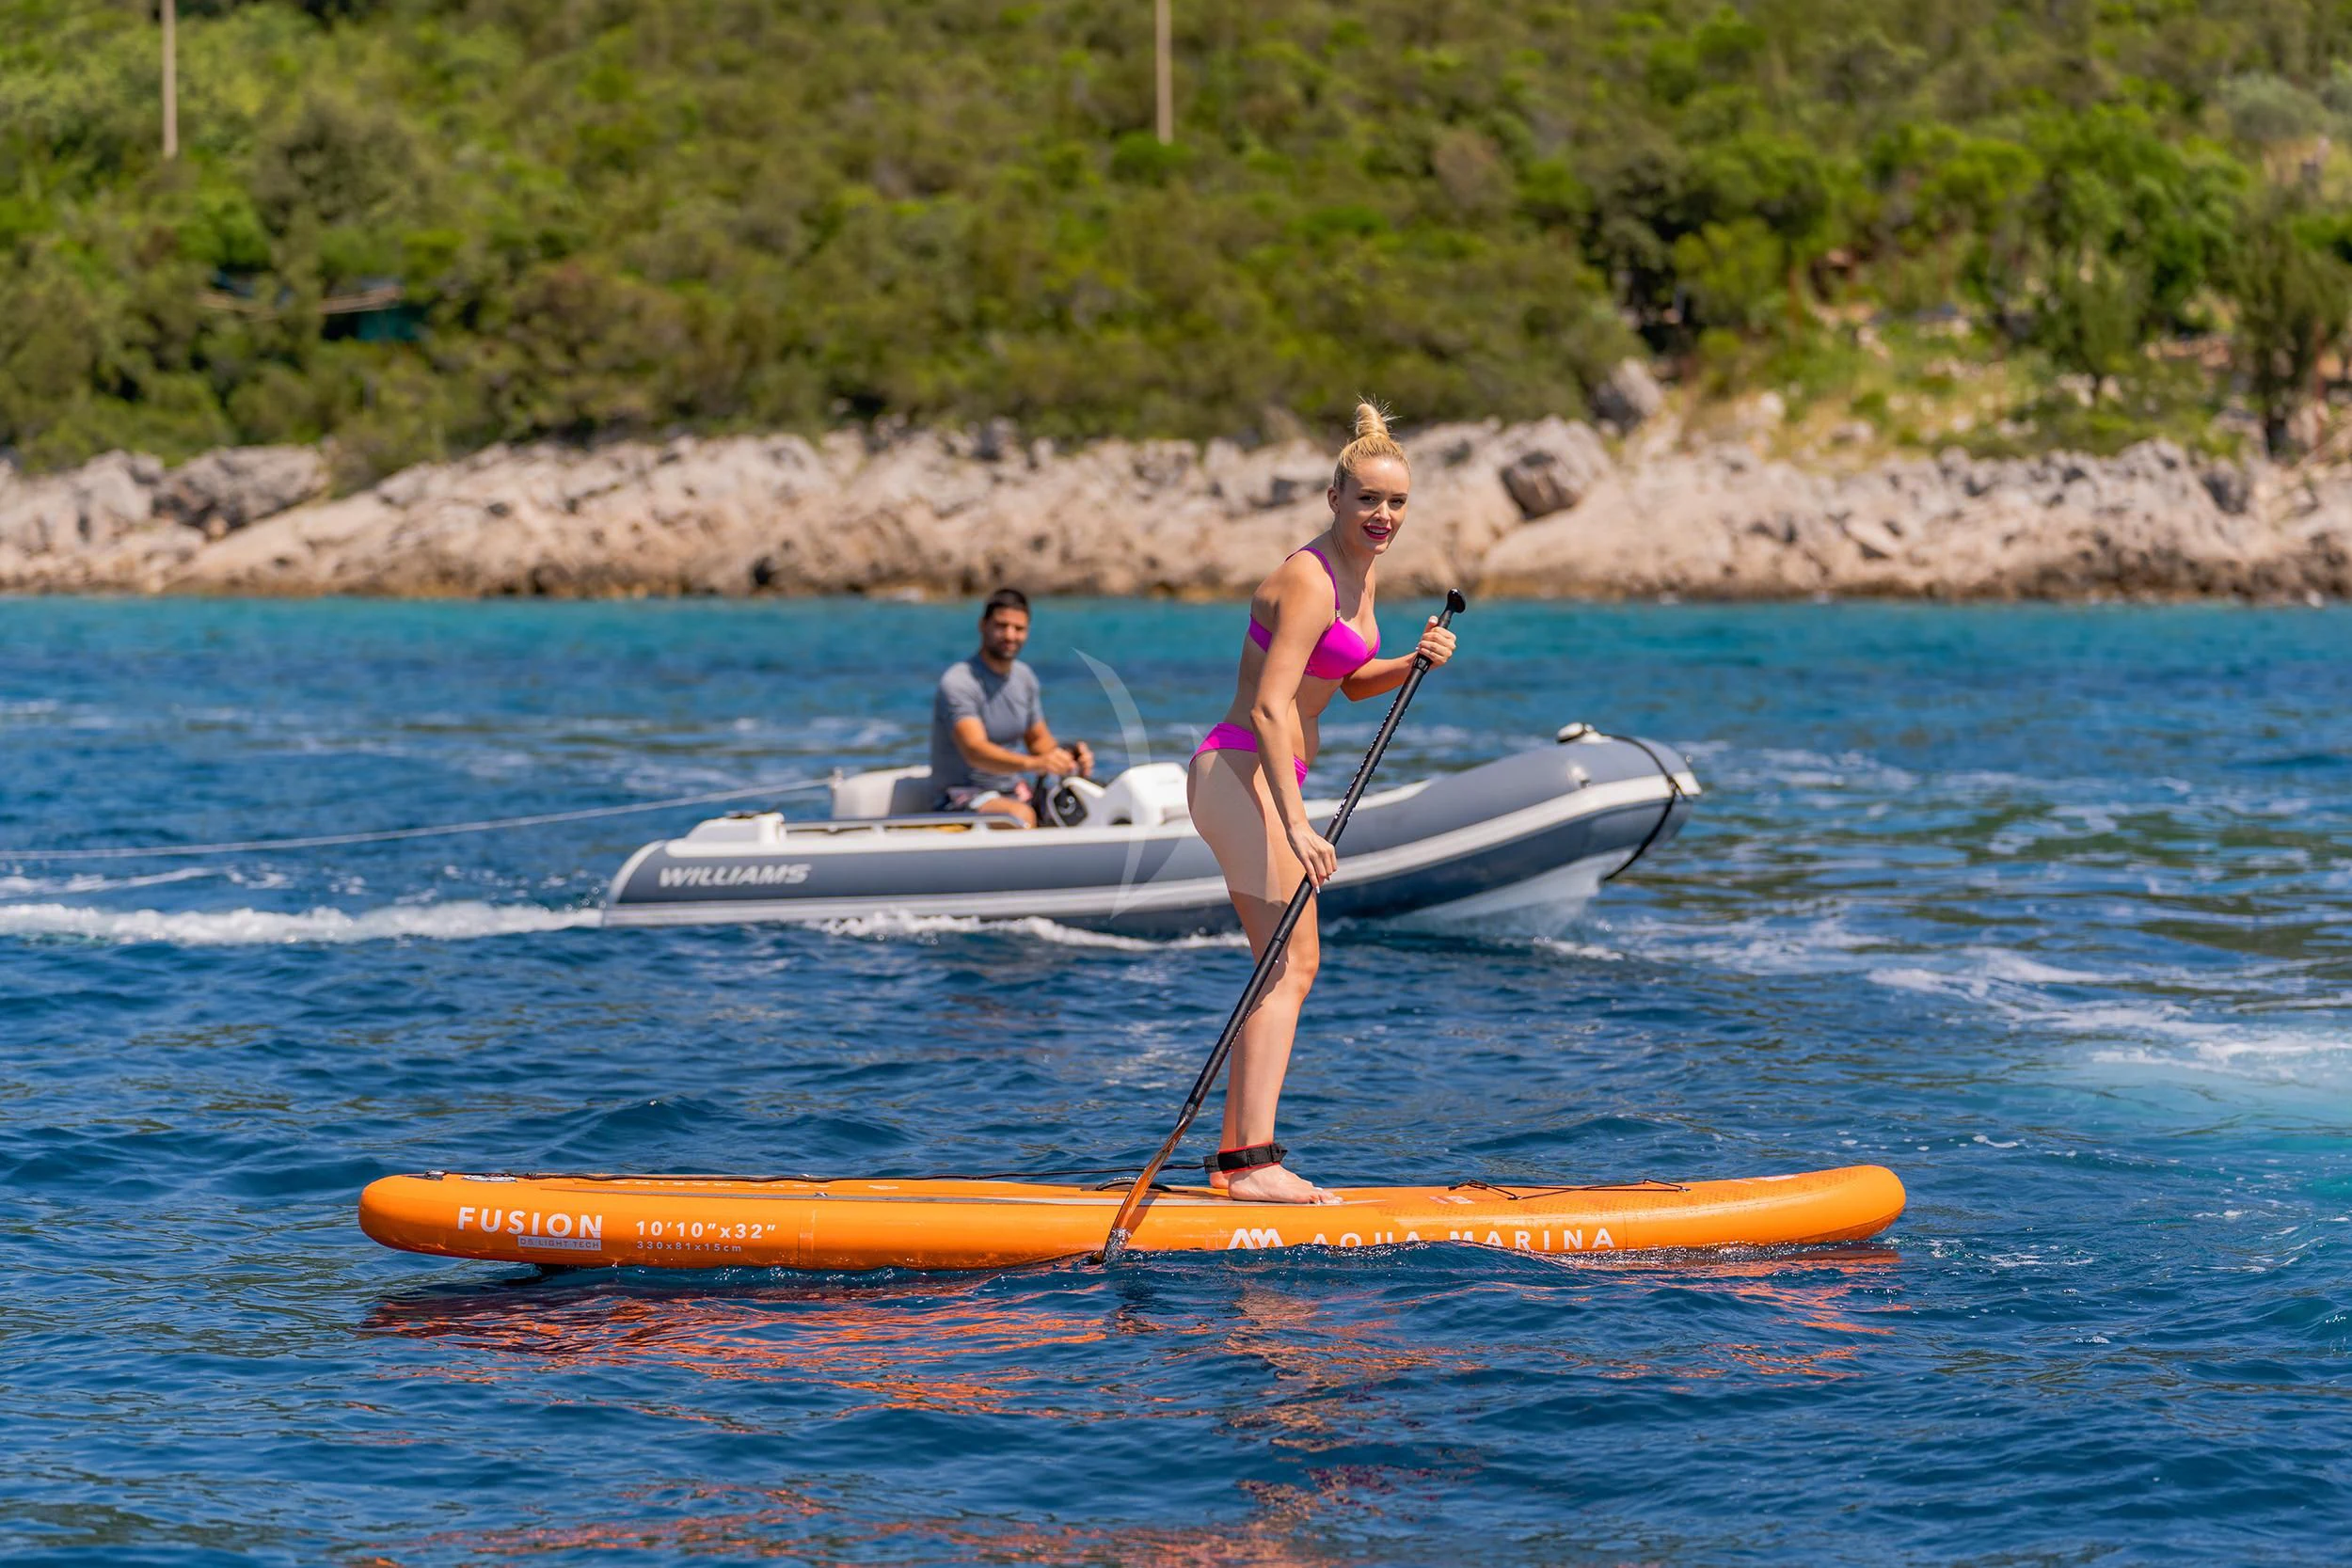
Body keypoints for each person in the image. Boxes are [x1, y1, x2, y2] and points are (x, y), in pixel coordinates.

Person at [1185, 403, 1455, 1204]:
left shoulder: (1357, 576)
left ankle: (1236, 1158)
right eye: (1368, 499)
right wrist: (1296, 822)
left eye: (1397, 502)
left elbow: (1333, 684)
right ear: (1334, 497)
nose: (1383, 516)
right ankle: (1255, 1163)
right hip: (1242, 774)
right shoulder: (1308, 579)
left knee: (1279, 965)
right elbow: (1271, 708)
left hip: (1263, 780)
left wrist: (1410, 661)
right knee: (1293, 964)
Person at [929, 588, 1093, 827]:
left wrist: (1070, 758)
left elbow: (1039, 742)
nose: (1009, 635)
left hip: (1012, 791)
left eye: (1019, 629)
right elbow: (975, 751)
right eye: (1001, 626)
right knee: (1019, 818)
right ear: (982, 625)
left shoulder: (1024, 678)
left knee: (1085, 805)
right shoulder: (959, 682)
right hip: (959, 797)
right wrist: (1034, 764)